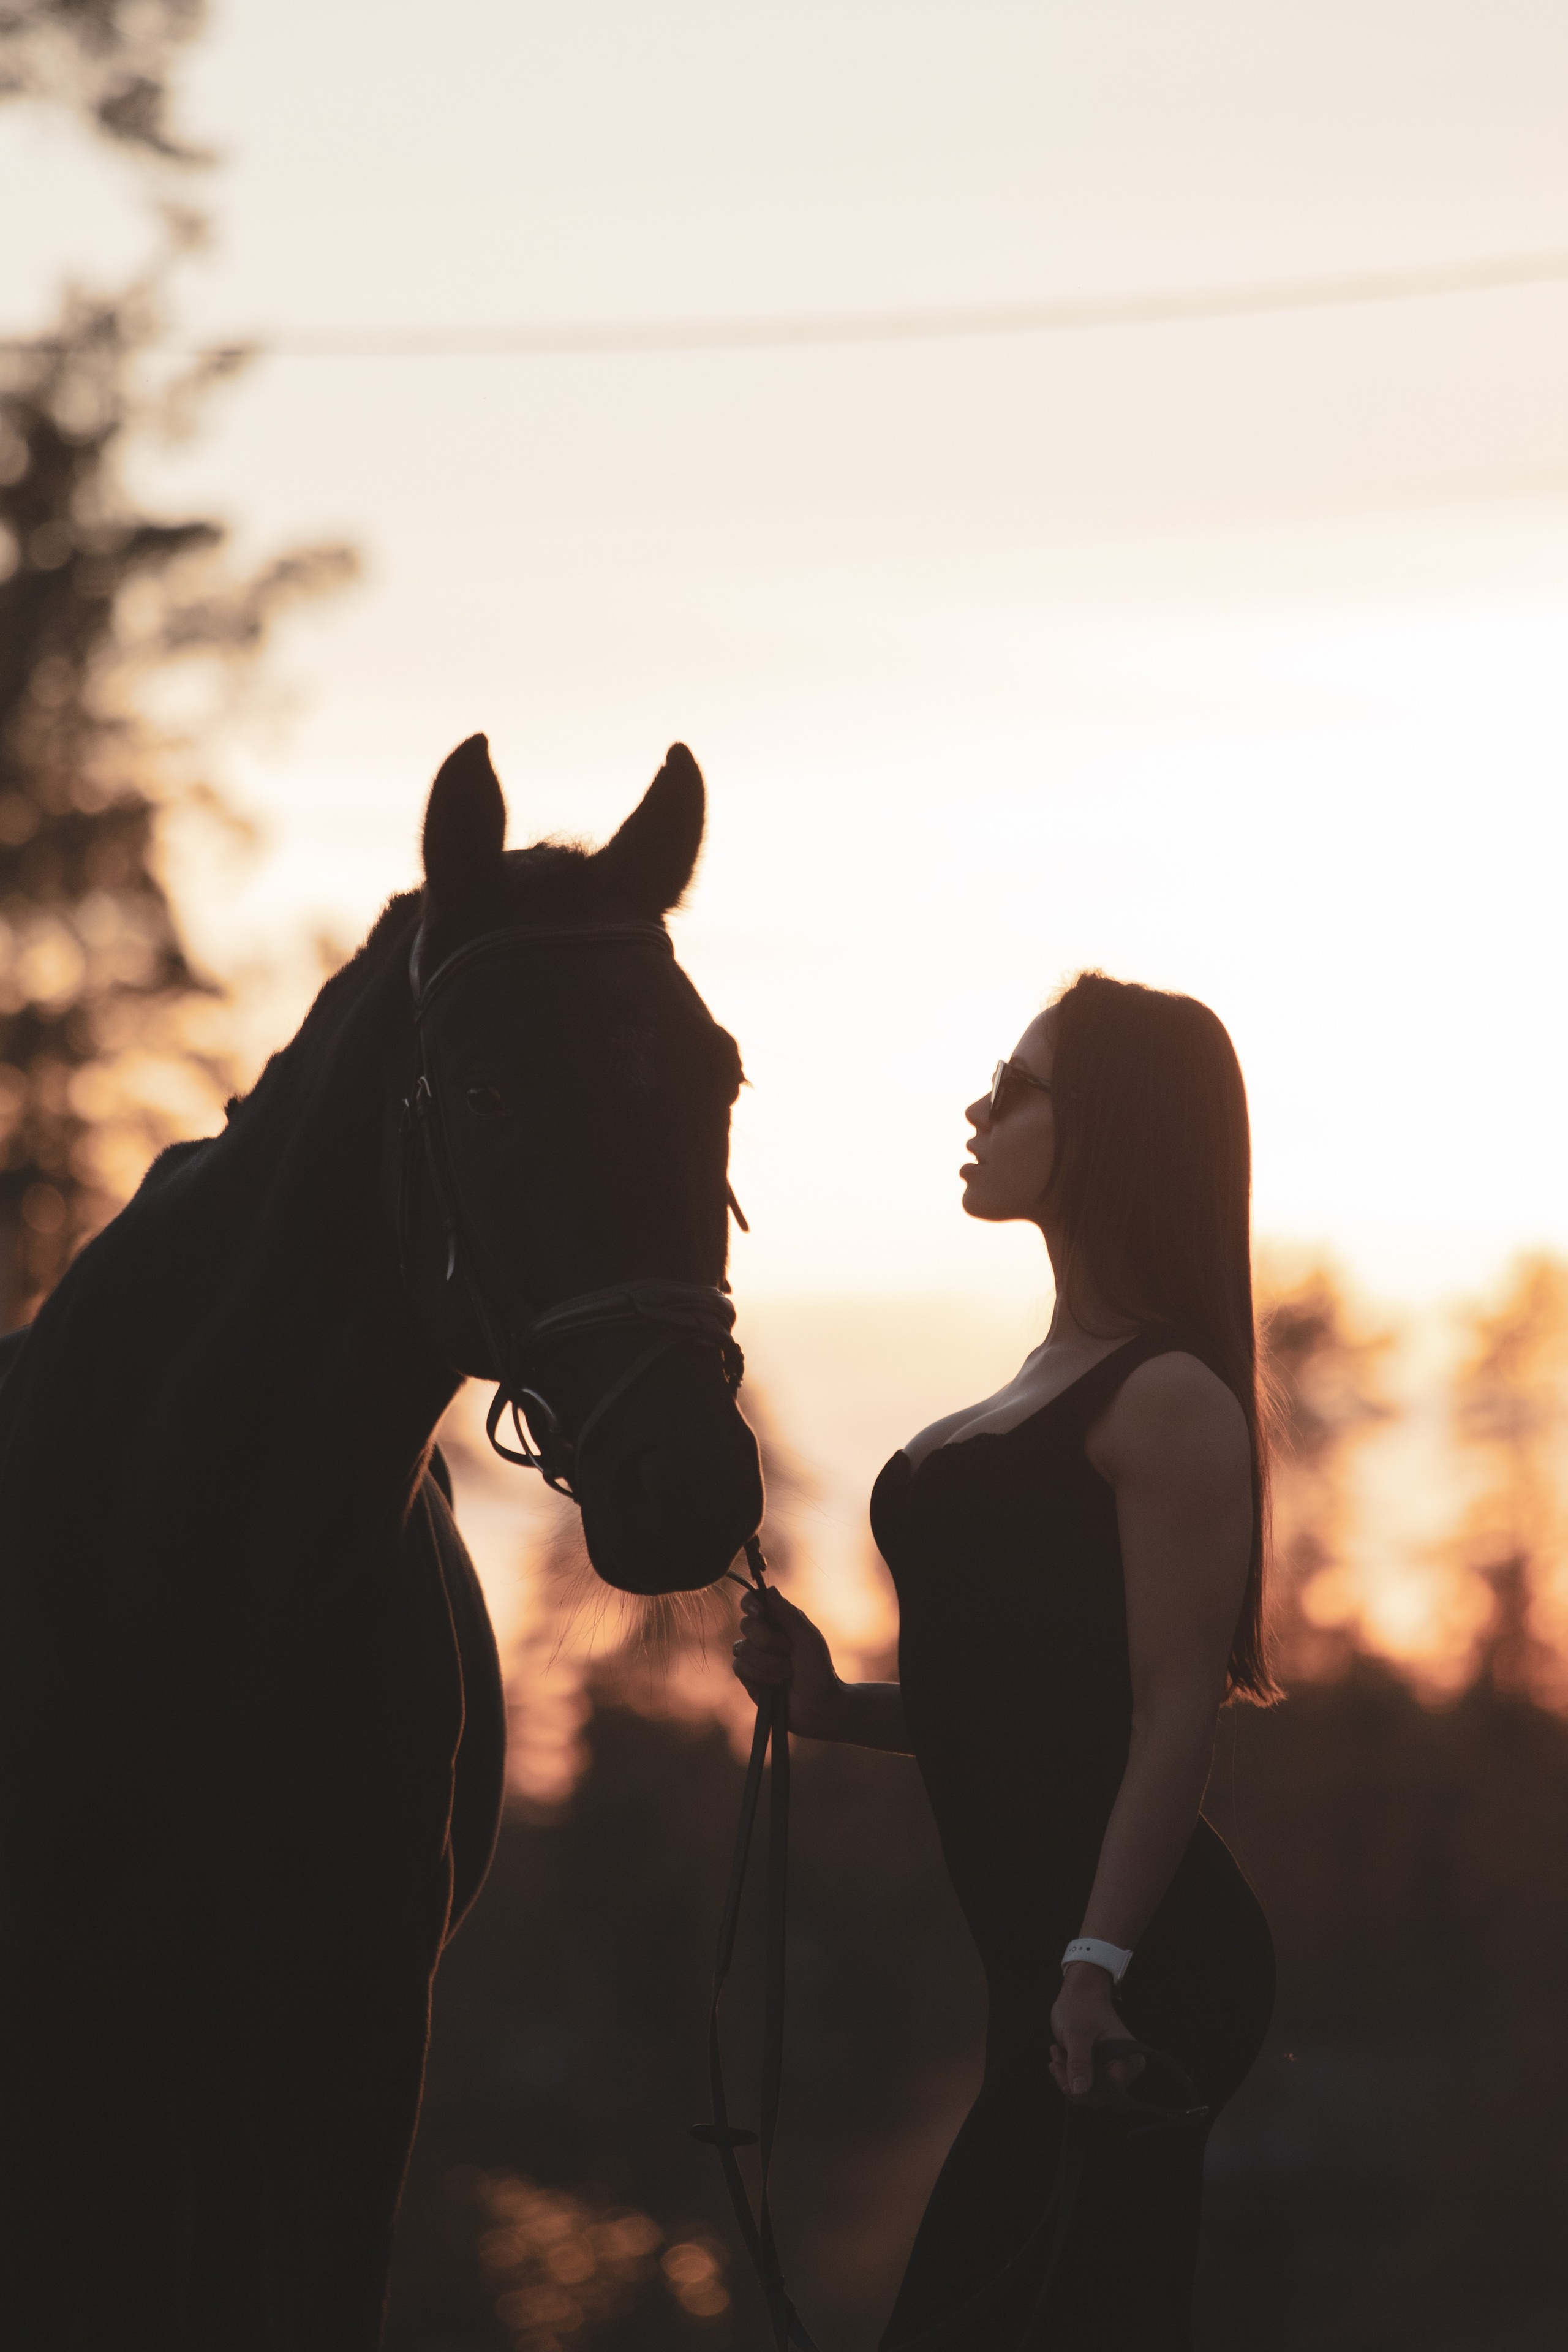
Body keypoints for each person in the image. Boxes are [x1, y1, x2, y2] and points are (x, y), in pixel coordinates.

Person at [733, 970, 1277, 2350]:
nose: (977, 1108)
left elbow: (1165, 1717)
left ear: (1109, 1127)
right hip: (1044, 1973)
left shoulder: (1163, 1399)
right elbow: (1034, 1714)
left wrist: (1094, 1967)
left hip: (1136, 1970)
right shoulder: (1048, 1374)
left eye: (1017, 1086)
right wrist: (831, 1708)